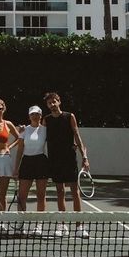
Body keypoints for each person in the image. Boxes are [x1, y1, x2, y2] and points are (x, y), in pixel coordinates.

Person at [43, 92, 90, 237]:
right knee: (60, 192)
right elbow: (39, 136)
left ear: (59, 102)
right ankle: (62, 225)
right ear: (47, 105)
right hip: (54, 160)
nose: (52, 104)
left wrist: (85, 157)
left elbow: (77, 135)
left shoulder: (70, 116)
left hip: (69, 159)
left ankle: (79, 227)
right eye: (50, 103)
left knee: (75, 193)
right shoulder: (46, 120)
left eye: (54, 101)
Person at [14, 105, 48, 230]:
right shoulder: (24, 130)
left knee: (41, 195)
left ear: (41, 116)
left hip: (41, 162)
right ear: (29, 116)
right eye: (32, 114)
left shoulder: (45, 129)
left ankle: (39, 225)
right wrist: (16, 168)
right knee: (22, 196)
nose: (35, 116)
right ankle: (20, 222)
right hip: (26, 162)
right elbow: (19, 150)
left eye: (37, 114)